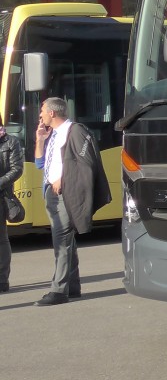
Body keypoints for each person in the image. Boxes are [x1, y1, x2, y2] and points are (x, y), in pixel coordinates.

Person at [33, 97, 109, 305]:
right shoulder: (52, 134)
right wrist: (39, 140)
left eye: (42, 111)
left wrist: (63, 180)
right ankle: (72, 286)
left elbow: (86, 163)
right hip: (51, 193)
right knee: (66, 240)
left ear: (52, 113)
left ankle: (58, 291)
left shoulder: (75, 131)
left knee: (62, 240)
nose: (40, 115)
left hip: (65, 194)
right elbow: (40, 164)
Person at [0, 123, 23, 292]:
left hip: (1, 195)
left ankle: (2, 279)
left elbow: (17, 169)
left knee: (1, 239)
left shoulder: (10, 142)